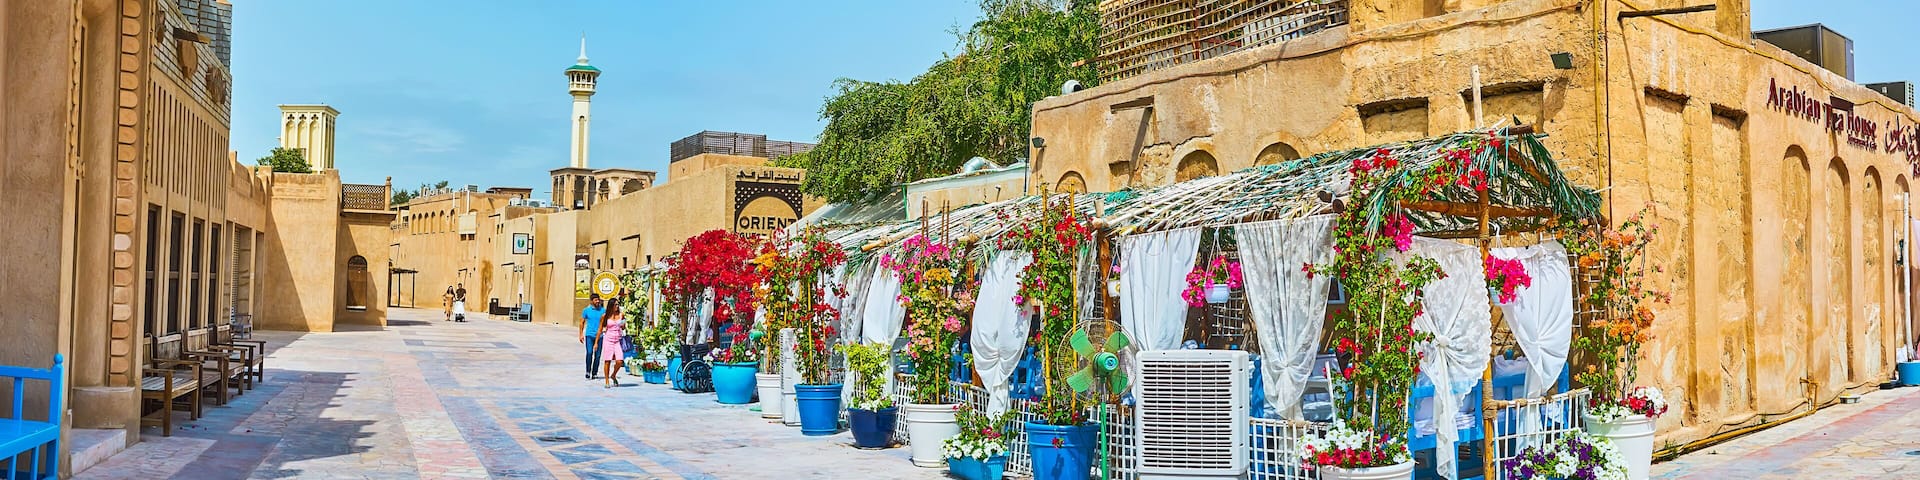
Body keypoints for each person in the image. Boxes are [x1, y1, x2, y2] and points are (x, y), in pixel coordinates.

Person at [600, 296, 627, 388]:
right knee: (607, 361)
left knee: (619, 361)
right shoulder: (605, 316)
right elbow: (600, 329)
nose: (617, 306)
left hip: (617, 340)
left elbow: (624, 327)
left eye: (618, 304)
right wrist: (596, 342)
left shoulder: (621, 315)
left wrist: (623, 325)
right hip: (608, 340)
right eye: (615, 305)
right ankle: (607, 380)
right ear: (611, 306)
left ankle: (613, 374)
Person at [579, 294, 606, 379]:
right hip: (589, 335)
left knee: (597, 355)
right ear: (591, 301)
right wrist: (580, 334)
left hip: (600, 336)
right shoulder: (586, 310)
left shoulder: (603, 310)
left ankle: (594, 372)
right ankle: (588, 371)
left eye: (598, 300)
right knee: (589, 353)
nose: (597, 301)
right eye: (595, 300)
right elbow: (581, 322)